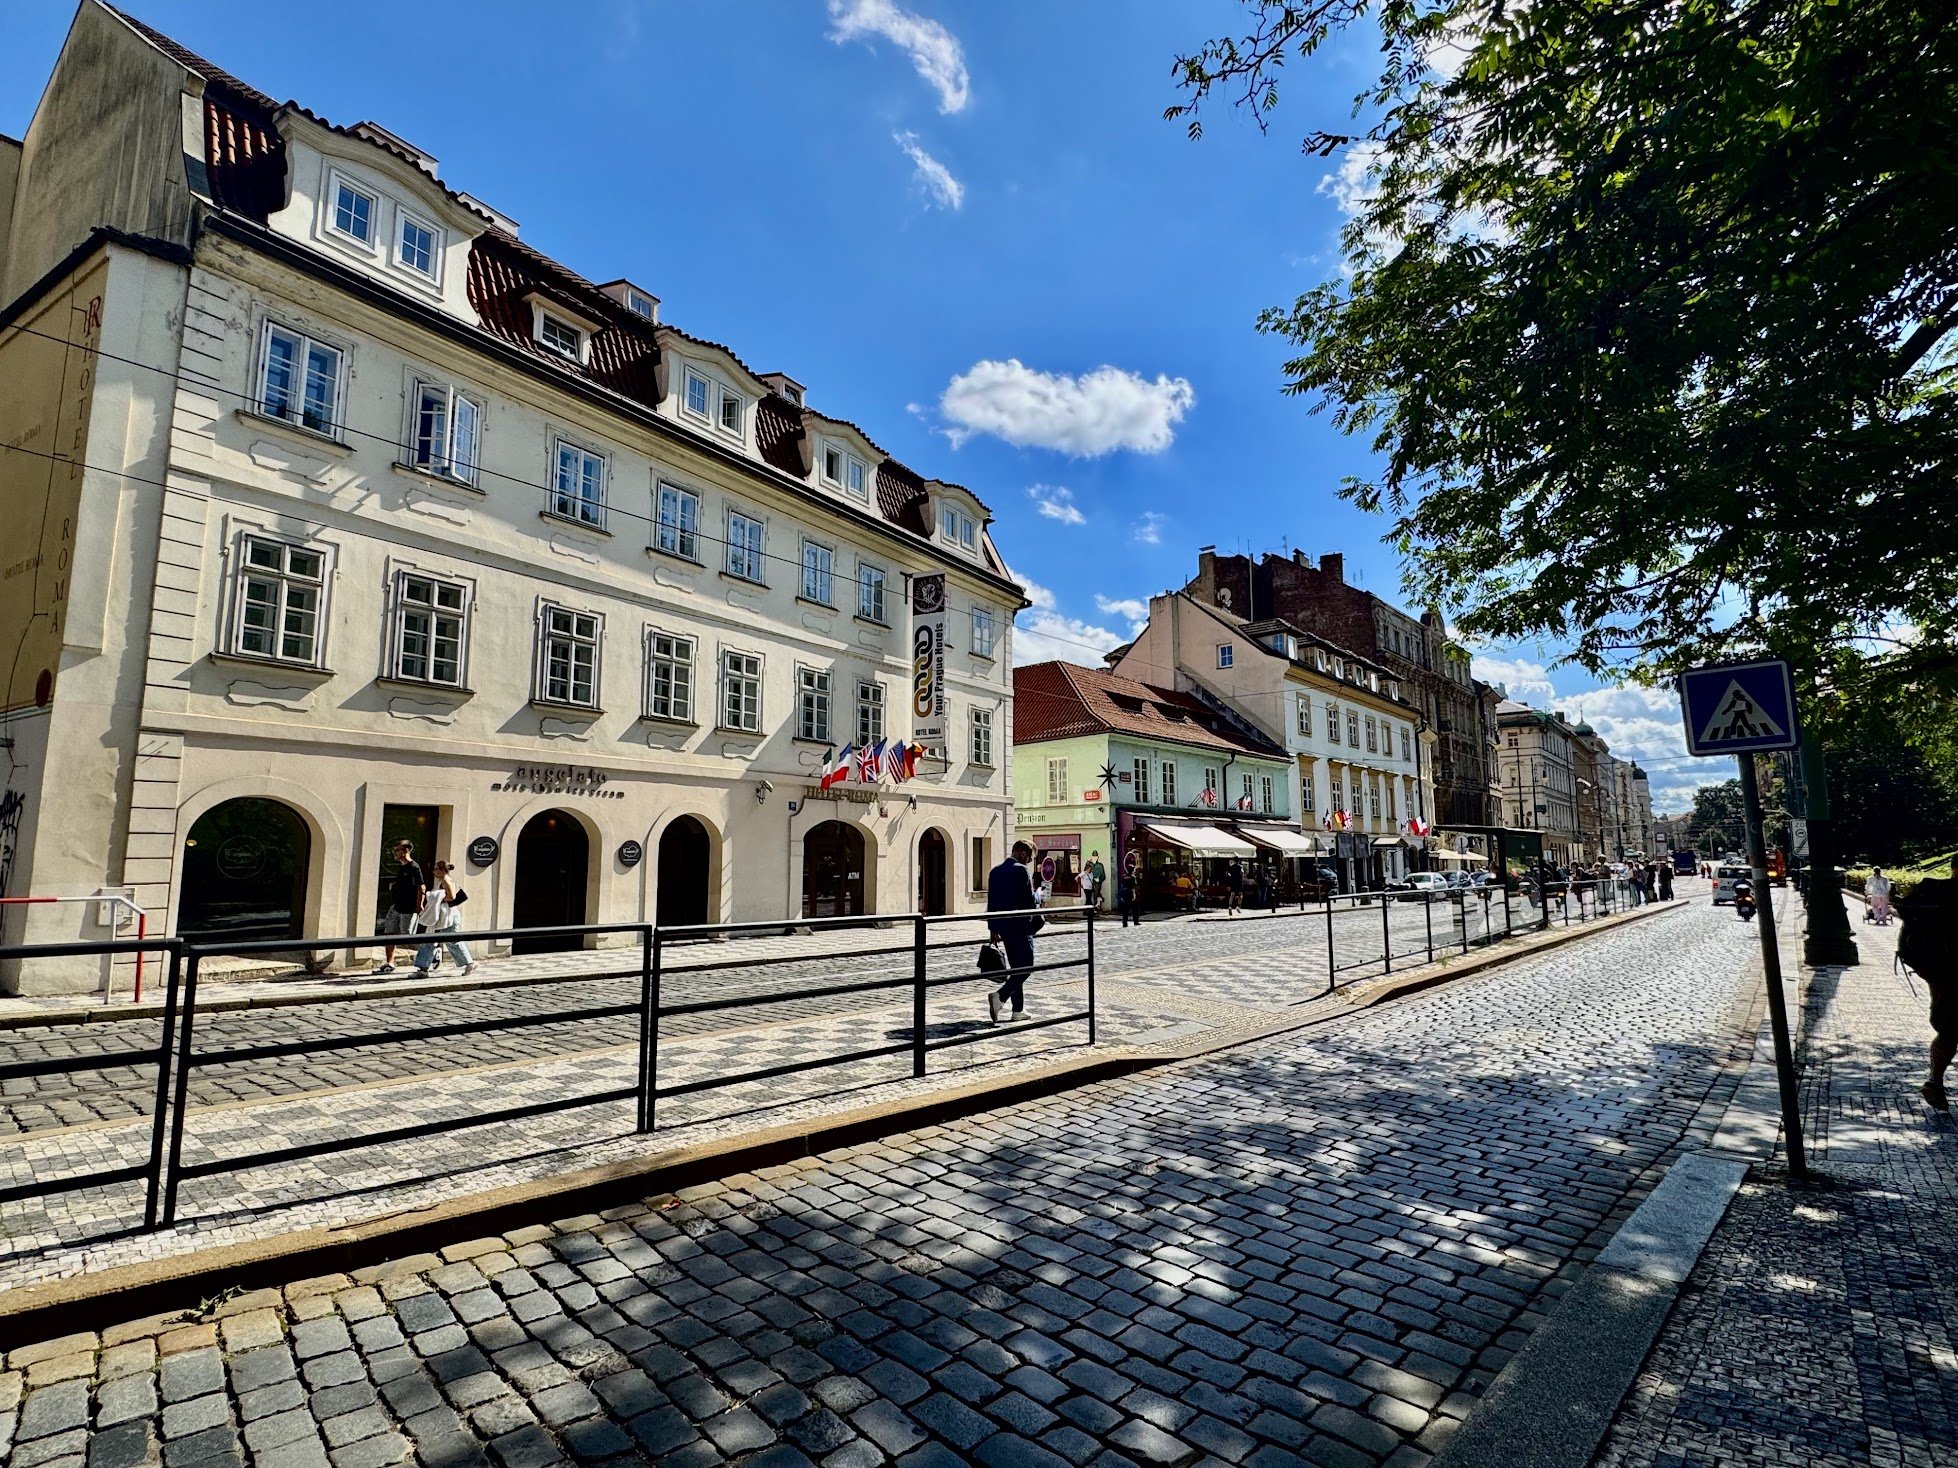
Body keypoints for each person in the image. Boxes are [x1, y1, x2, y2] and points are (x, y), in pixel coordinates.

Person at [1898, 856, 1958, 1111]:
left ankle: (1934, 1080)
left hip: (1941, 974)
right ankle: (1933, 1082)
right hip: (1947, 973)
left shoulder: (1937, 893)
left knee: (1948, 1030)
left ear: (1953, 868)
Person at [986, 840, 1039, 1023]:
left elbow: (991, 903)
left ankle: (1018, 1010)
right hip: (1021, 927)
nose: (1029, 862)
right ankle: (1000, 997)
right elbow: (1029, 902)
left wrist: (993, 928)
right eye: (1030, 859)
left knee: (1017, 967)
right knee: (1027, 967)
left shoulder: (995, 871)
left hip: (1004, 929)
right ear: (1023, 854)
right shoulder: (1021, 870)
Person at [412, 861, 476, 978]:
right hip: (443, 916)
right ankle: (423, 968)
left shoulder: (446, 880)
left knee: (450, 941)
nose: (434, 871)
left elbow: (452, 896)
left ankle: (469, 963)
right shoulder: (444, 880)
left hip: (447, 917)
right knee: (431, 940)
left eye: (436, 869)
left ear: (442, 870)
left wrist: (437, 898)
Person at [374, 839, 425, 975]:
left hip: (408, 907)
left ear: (406, 850)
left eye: (397, 850)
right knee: (389, 934)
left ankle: (431, 950)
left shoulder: (414, 867)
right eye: (394, 850)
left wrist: (419, 904)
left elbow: (421, 886)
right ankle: (390, 962)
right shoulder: (402, 868)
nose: (394, 853)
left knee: (407, 938)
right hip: (396, 906)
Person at [1121, 848, 1145, 927]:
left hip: (1124, 893)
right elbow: (1134, 887)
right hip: (1131, 893)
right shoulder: (1133, 877)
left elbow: (1122, 885)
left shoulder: (1123, 877)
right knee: (1135, 908)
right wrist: (1134, 895)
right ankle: (1135, 921)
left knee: (1125, 909)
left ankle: (1124, 922)